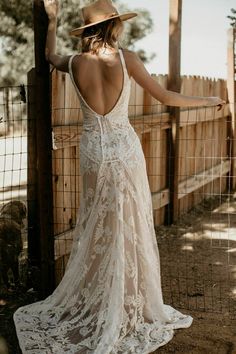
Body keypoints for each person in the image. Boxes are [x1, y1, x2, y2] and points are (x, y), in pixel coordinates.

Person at [13, 0, 225, 353]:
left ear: (88, 31)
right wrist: (208, 101)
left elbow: (49, 57)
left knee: (98, 224)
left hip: (93, 152)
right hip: (124, 151)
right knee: (128, 225)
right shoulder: (127, 60)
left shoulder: (76, 62)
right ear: (114, 26)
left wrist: (51, 20)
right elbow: (167, 97)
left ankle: (101, 302)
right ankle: (123, 305)